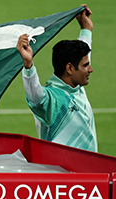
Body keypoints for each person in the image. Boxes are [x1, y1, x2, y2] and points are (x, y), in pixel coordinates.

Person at [16, 5, 97, 151]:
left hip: (86, 170)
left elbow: (82, 57)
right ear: (70, 68)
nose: (90, 70)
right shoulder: (54, 99)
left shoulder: (75, 85)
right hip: (64, 172)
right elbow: (36, 99)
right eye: (86, 66)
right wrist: (28, 65)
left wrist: (86, 28)